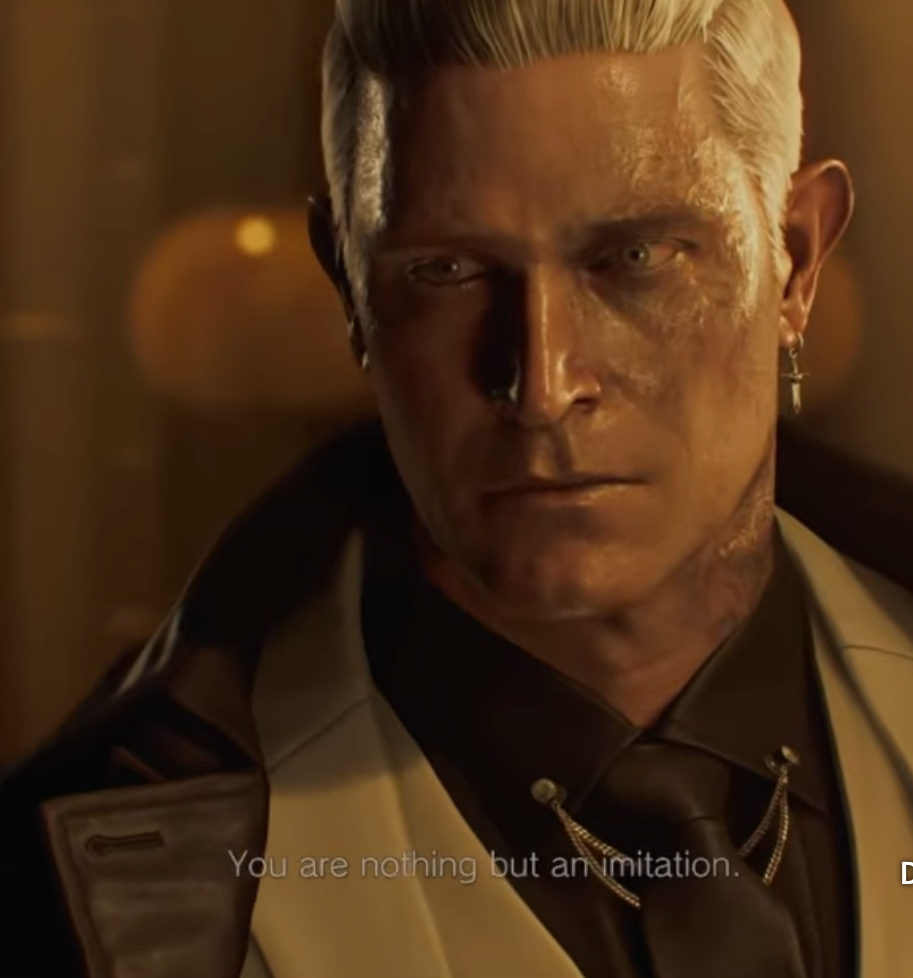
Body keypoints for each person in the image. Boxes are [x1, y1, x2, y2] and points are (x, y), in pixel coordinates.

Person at [2, 0, 912, 975]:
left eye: (634, 258)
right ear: (349, 286)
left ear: (795, 260)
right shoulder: (107, 889)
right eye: (447, 270)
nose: (543, 383)